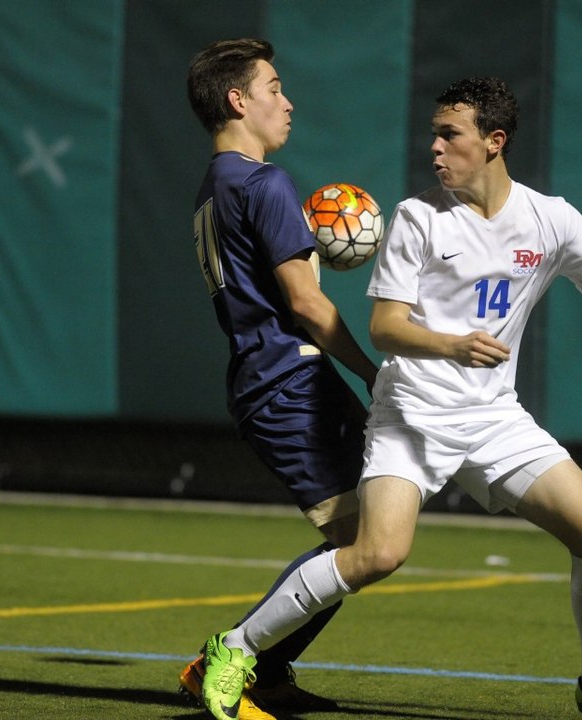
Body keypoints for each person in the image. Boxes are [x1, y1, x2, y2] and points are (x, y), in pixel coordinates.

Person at [196, 76, 582, 720]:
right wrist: (453, 345)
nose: (435, 148)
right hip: (411, 414)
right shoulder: (417, 217)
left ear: (494, 142)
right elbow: (386, 328)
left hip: (495, 419)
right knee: (377, 553)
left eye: (450, 135)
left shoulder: (551, 219)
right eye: (434, 135)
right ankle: (234, 648)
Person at [181, 38, 379, 720]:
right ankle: (230, 662)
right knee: (364, 544)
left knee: (366, 539)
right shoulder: (264, 182)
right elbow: (306, 304)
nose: (287, 102)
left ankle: (264, 670)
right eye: (274, 88)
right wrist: (372, 373)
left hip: (275, 380)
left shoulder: (214, 187)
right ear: (238, 100)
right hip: (287, 385)